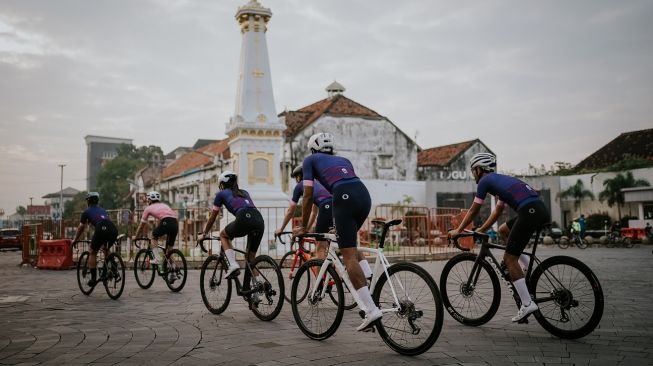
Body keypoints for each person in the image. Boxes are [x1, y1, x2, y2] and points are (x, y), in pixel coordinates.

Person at [292, 132, 381, 331]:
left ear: (313, 149)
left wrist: (304, 227)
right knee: (349, 244)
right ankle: (368, 278)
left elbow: (307, 197)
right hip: (363, 196)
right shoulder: (344, 159)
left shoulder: (310, 159)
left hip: (344, 196)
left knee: (348, 256)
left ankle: (370, 310)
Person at [447, 152, 550, 322]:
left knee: (509, 260)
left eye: (473, 170)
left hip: (529, 212)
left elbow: (474, 209)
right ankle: (525, 267)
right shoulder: (500, 181)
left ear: (479, 169)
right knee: (503, 230)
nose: (473, 174)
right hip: (537, 209)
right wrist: (482, 229)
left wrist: (458, 230)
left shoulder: (485, 181)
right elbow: (498, 211)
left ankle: (526, 303)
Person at [201, 170, 265, 290]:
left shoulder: (221, 194)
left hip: (244, 217)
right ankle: (258, 287)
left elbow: (212, 217)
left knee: (223, 235)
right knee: (251, 258)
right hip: (259, 219)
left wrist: (204, 233)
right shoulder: (244, 192)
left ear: (222, 184)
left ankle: (233, 264)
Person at [275, 166, 332, 259]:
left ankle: (320, 274)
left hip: (326, 207)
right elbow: (314, 212)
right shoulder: (317, 184)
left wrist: (281, 229)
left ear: (298, 177)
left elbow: (290, 211)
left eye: (296, 177)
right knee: (346, 246)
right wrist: (305, 229)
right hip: (337, 206)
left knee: (320, 248)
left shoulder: (301, 185)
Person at [72, 192, 119, 287]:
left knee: (92, 252)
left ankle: (93, 279)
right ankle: (114, 268)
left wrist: (75, 240)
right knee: (105, 248)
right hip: (113, 228)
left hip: (101, 228)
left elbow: (81, 227)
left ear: (88, 201)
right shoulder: (103, 210)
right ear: (97, 201)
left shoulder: (86, 212)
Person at [133, 191, 179, 283]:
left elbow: (141, 225)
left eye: (148, 199)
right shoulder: (164, 205)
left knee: (153, 237)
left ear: (149, 199)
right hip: (175, 223)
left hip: (166, 222)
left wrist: (136, 236)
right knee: (169, 251)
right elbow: (164, 218)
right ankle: (173, 271)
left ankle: (157, 258)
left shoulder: (148, 208)